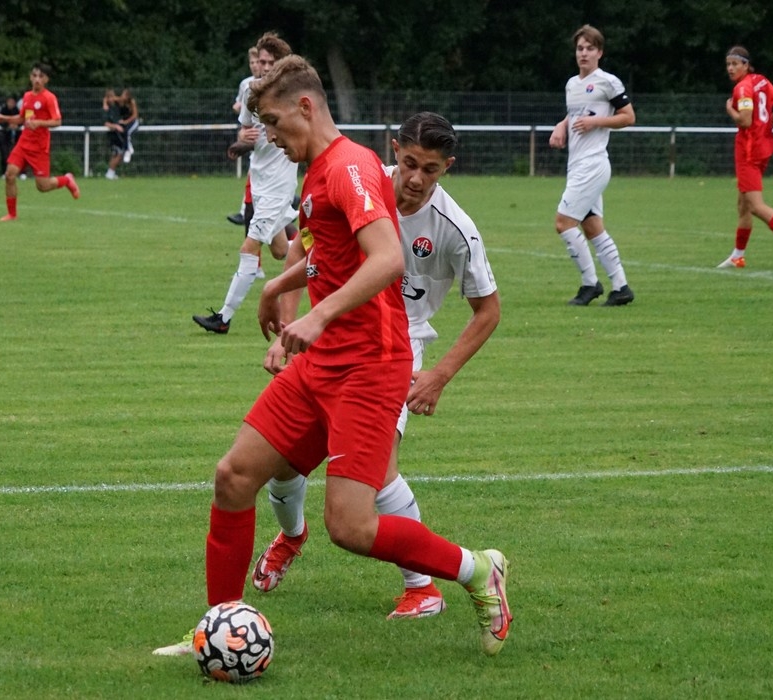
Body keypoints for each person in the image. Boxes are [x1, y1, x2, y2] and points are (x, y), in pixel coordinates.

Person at [156, 55, 510, 659]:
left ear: (305, 106)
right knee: (234, 476)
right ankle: (218, 627)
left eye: (273, 122)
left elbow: (387, 259)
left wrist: (317, 316)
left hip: (371, 367)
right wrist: (277, 287)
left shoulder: (347, 168)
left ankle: (476, 569)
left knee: (350, 527)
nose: (269, 136)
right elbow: (328, 254)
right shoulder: (324, 171)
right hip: (323, 363)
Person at [250, 111, 501, 620]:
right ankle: (292, 537)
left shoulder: (455, 229)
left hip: (393, 349)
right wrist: (285, 330)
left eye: (430, 169)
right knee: (280, 464)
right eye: (409, 163)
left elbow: (488, 310)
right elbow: (306, 252)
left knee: (380, 473)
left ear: (447, 167)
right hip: (330, 336)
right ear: (394, 150)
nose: (416, 178)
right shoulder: (359, 183)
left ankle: (422, 587)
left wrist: (439, 375)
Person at [192, 33, 299, 334]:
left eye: (270, 62)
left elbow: (302, 136)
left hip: (279, 186)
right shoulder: (252, 93)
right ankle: (328, 254)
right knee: (281, 250)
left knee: (249, 247)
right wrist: (242, 140)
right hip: (259, 181)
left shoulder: (292, 98)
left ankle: (223, 318)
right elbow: (245, 133)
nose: (263, 67)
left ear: (281, 65)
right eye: (260, 61)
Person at [549, 24, 635, 307]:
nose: (584, 53)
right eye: (580, 48)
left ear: (600, 52)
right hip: (577, 164)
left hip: (593, 164)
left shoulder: (607, 82)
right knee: (593, 228)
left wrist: (596, 122)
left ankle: (590, 284)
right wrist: (562, 125)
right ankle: (621, 287)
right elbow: (576, 113)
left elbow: (628, 117)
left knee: (563, 223)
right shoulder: (571, 84)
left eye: (590, 48)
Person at [717, 46, 773, 271]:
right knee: (743, 205)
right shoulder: (761, 81)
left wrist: (729, 110)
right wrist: (766, 128)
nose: (730, 68)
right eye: (728, 64)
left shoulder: (743, 88)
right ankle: (738, 256)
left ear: (746, 65)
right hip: (763, 147)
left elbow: (745, 121)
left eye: (735, 64)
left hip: (749, 152)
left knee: (755, 206)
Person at [0, 62, 79, 222]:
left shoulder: (49, 98)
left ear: (46, 79)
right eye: (34, 75)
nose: (37, 79)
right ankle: (12, 214)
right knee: (10, 175)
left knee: (43, 186)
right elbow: (22, 119)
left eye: (41, 76)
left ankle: (67, 180)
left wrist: (39, 123)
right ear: (30, 77)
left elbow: (57, 121)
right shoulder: (27, 96)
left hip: (39, 148)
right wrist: (5, 118)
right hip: (24, 143)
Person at [227, 47, 262, 227]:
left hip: (268, 141)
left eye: (258, 62)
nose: (255, 66)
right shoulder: (246, 84)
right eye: (252, 62)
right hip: (252, 137)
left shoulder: (276, 85)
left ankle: (245, 212)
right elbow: (239, 106)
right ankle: (245, 212)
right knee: (254, 173)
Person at [103, 87, 140, 179]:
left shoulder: (128, 103)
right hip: (115, 133)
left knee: (119, 152)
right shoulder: (109, 108)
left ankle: (111, 172)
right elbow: (106, 122)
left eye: (123, 94)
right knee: (117, 153)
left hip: (124, 129)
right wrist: (105, 103)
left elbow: (135, 115)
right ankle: (110, 173)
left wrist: (125, 122)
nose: (120, 96)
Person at [0, 95, 20, 176]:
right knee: (4, 153)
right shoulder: (2, 109)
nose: (11, 104)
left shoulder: (17, 110)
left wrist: (17, 125)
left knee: (14, 153)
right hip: (3, 135)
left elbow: (21, 119)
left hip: (14, 136)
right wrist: (8, 125)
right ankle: (4, 171)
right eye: (10, 102)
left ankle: (19, 172)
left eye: (13, 102)